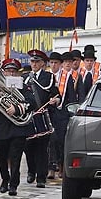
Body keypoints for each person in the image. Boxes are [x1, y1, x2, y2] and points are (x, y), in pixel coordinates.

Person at [0, 59, 32, 195]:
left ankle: (14, 184)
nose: (11, 74)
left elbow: (31, 103)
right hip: (1, 127)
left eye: (13, 72)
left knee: (15, 158)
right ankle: (4, 179)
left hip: (18, 128)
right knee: (1, 157)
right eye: (8, 71)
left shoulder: (23, 87)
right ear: (4, 73)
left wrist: (17, 109)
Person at [22, 49, 59, 189]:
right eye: (32, 61)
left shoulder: (48, 77)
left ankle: (41, 177)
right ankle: (31, 170)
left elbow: (55, 94)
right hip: (28, 117)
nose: (34, 64)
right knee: (28, 147)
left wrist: (54, 101)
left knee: (42, 149)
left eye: (37, 61)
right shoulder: (24, 77)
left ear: (43, 63)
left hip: (42, 116)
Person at [48, 52, 75, 180]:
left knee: (60, 141)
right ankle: (51, 168)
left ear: (60, 64)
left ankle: (62, 166)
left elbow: (71, 98)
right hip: (48, 113)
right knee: (49, 141)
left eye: (56, 63)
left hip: (62, 114)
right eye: (51, 63)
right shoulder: (47, 76)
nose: (53, 65)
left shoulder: (67, 77)